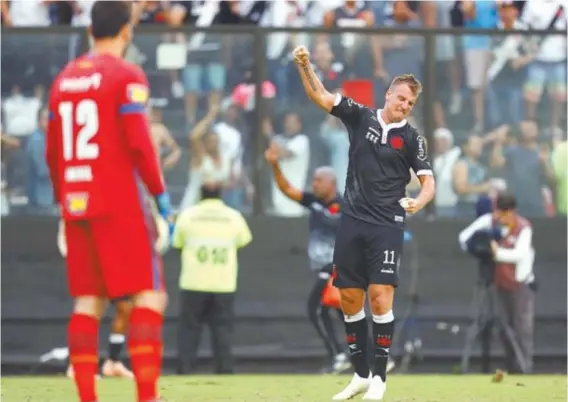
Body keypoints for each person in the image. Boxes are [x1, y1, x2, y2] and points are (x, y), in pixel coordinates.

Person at [45, 2, 174, 402]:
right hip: (119, 202)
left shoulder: (63, 79)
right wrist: (161, 198)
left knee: (88, 301)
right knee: (150, 296)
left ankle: (87, 397)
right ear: (127, 29)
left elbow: (53, 153)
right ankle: (146, 397)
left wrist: (63, 206)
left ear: (89, 30)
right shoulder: (125, 75)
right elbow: (140, 144)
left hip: (77, 202)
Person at [293, 45, 435, 400]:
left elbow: (428, 181)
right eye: (400, 98)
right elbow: (321, 96)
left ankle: (379, 380)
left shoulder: (413, 138)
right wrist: (305, 65)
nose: (404, 105)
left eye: (409, 103)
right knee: (350, 300)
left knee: (380, 297)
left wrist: (419, 200)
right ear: (388, 94)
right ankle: (359, 375)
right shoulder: (360, 116)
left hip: (387, 224)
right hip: (352, 221)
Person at [265, 144, 350, 374]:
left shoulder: (345, 206)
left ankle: (340, 355)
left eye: (317, 180)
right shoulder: (314, 201)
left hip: (334, 268)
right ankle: (370, 356)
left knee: (316, 309)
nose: (313, 184)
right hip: (326, 267)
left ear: (331, 183)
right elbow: (288, 190)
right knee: (343, 313)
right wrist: (274, 165)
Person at [172, 181, 252, 375]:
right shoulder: (233, 217)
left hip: (193, 281)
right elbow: (243, 240)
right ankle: (225, 369)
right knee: (222, 329)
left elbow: (177, 242)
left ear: (200, 194)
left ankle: (185, 368)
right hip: (223, 282)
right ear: (221, 194)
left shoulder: (188, 216)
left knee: (189, 329)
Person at [458, 191, 536, 373]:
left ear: (512, 212)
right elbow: (464, 237)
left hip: (520, 284)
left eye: (504, 214)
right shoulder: (490, 221)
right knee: (504, 330)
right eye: (498, 214)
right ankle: (510, 367)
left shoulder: (523, 227)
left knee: (522, 329)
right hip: (499, 283)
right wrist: (481, 241)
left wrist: (497, 253)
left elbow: (519, 254)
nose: (500, 218)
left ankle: (525, 368)